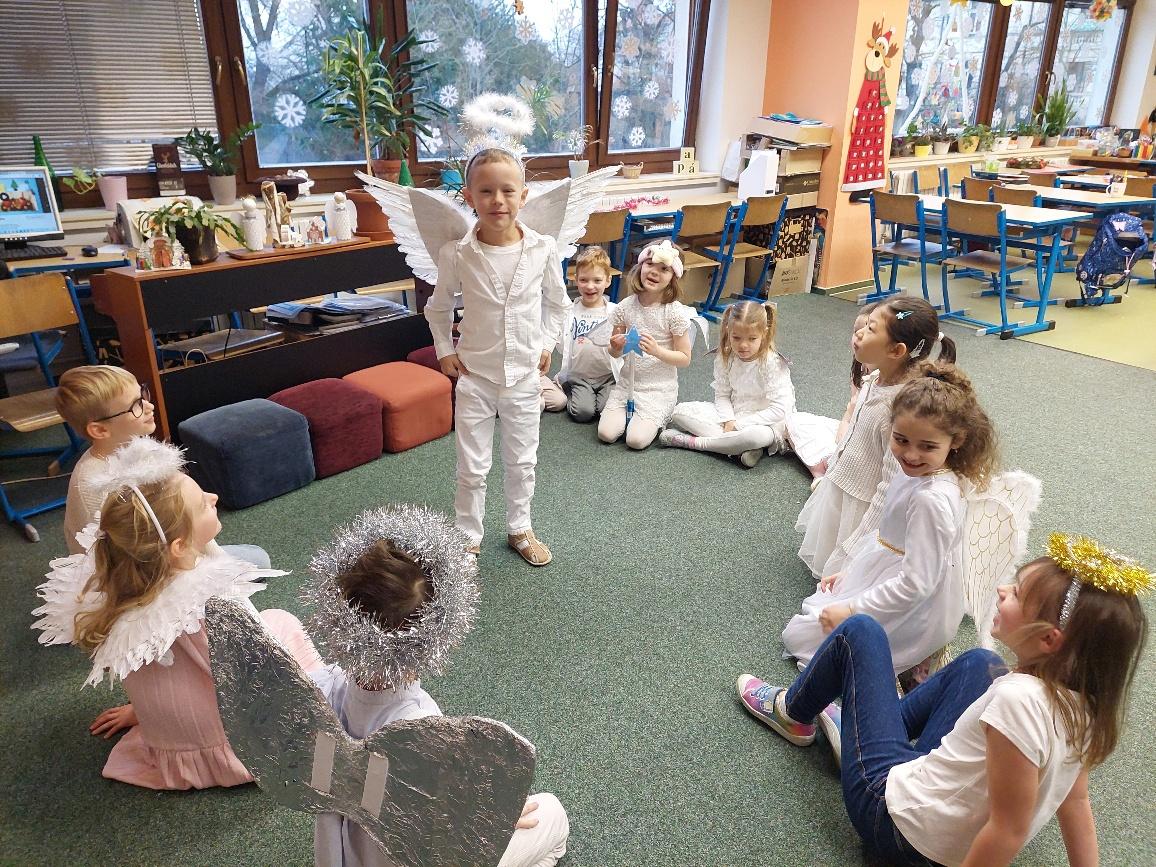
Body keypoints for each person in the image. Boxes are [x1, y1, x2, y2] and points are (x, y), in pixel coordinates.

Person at [736, 533, 1150, 867]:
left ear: (1048, 640)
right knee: (981, 663)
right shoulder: (1086, 708)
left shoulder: (1018, 701)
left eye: (1017, 594)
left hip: (893, 823)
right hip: (934, 821)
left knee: (861, 632)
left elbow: (1006, 831)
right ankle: (859, 733)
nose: (1002, 590)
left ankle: (793, 713)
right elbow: (1075, 801)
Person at [31, 436, 321, 790]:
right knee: (282, 621)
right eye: (202, 504)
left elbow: (149, 670)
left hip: (172, 733)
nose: (213, 498)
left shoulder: (119, 587)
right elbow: (254, 668)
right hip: (230, 735)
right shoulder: (213, 600)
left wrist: (139, 711)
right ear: (179, 546)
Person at [306, 506, 570, 867]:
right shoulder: (423, 727)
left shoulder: (323, 688)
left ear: (340, 617)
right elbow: (449, 822)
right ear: (436, 633)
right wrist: (498, 816)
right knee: (552, 814)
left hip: (344, 854)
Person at [782, 363, 998, 677]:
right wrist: (852, 572)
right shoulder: (921, 474)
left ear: (957, 440)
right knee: (816, 617)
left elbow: (916, 584)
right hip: (891, 566)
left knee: (800, 636)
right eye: (901, 440)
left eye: (927, 446)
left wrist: (853, 610)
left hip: (912, 593)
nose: (910, 455)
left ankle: (910, 662)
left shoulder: (930, 498)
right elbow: (891, 536)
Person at [424, 147, 569, 566]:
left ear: (523, 195)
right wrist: (444, 350)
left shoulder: (542, 248)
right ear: (469, 196)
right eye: (486, 191)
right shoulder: (457, 253)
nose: (498, 200)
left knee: (522, 461)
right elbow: (438, 307)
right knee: (472, 467)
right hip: (476, 377)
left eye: (508, 191)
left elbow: (558, 303)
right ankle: (467, 537)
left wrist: (546, 344)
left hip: (523, 377)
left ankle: (520, 527)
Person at [796, 297, 956, 580]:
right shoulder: (875, 378)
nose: (858, 333)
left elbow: (891, 485)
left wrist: (857, 546)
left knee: (850, 579)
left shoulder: (899, 408)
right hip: (845, 482)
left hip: (865, 504)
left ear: (896, 350)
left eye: (870, 329)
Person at [55, 365, 271, 567]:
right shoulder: (93, 487)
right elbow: (118, 564)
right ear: (100, 430)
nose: (149, 406)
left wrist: (220, 564)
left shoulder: (143, 450)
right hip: (139, 571)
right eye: (136, 405)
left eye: (143, 395)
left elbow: (186, 515)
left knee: (258, 559)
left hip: (175, 546)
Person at [659, 300, 794, 468]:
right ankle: (739, 449)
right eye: (736, 338)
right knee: (679, 412)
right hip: (734, 414)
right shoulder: (726, 357)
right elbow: (722, 395)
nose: (743, 345)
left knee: (757, 437)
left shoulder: (772, 362)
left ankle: (693, 443)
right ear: (729, 331)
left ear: (764, 335)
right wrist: (729, 420)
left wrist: (739, 425)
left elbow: (780, 409)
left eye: (752, 339)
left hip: (764, 421)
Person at [597, 240, 693, 450]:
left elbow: (685, 358)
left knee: (636, 441)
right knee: (605, 434)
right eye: (649, 264)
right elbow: (614, 352)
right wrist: (615, 346)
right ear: (640, 267)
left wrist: (658, 351)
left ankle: (662, 413)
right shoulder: (626, 307)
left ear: (673, 277)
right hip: (628, 385)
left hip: (658, 389)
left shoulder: (673, 312)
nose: (654, 272)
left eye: (664, 269)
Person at [784, 303, 877, 478]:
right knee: (794, 421)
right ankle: (823, 471)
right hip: (850, 431)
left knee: (845, 456)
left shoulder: (882, 380)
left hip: (866, 444)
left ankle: (824, 472)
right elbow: (849, 417)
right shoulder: (859, 368)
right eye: (856, 330)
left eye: (868, 330)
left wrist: (844, 439)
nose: (858, 335)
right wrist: (843, 433)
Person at [540, 246, 621, 422]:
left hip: (607, 377)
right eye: (584, 280)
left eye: (597, 280)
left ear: (608, 280)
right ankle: (571, 390)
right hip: (579, 377)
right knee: (582, 413)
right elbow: (554, 334)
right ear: (575, 279)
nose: (590, 286)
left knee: (606, 409)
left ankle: (600, 396)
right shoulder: (569, 311)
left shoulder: (616, 312)